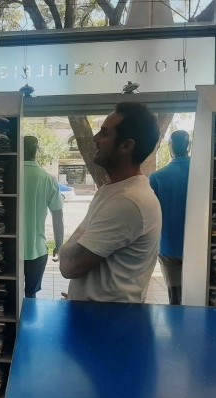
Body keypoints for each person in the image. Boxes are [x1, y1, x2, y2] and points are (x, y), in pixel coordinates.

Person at [59, 102, 162, 303]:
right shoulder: (110, 191)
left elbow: (69, 266)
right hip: (93, 314)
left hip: (108, 319)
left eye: (105, 133)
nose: (95, 138)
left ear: (126, 146)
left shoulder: (128, 201)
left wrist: (69, 246)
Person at [148, 130, 191, 305]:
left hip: (169, 246)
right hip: (200, 247)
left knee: (175, 298)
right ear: (189, 146)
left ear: (170, 147)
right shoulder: (205, 174)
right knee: (199, 296)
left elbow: (151, 215)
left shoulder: (157, 177)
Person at [23, 136, 64, 298]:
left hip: (10, 249)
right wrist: (59, 244)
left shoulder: (10, 175)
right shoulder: (49, 179)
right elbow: (57, 215)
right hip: (37, 249)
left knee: (9, 295)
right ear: (37, 151)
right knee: (31, 296)